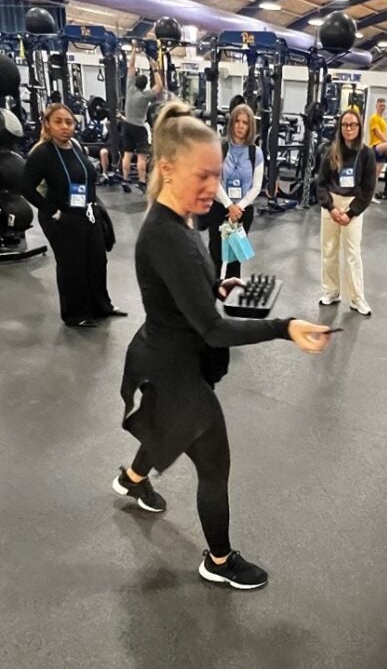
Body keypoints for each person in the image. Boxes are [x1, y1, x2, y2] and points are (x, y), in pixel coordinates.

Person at [112, 101, 331, 590]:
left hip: (165, 353)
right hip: (174, 369)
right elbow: (213, 330)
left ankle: (131, 479)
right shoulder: (166, 234)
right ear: (167, 170)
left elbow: (185, 292)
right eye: (203, 176)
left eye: (216, 175)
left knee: (166, 431)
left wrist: (214, 288)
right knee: (214, 466)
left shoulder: (182, 219)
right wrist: (285, 326)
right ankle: (219, 559)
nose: (213, 187)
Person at [20, 102, 125, 328]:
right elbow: (26, 187)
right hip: (62, 218)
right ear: (47, 125)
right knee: (72, 266)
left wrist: (95, 209)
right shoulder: (42, 154)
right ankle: (76, 314)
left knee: (97, 261)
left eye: (69, 122)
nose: (65, 127)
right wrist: (51, 210)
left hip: (87, 214)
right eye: (58, 122)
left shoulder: (76, 146)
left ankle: (101, 306)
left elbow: (87, 179)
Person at [316, 107, 376, 316]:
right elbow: (321, 183)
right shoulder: (332, 151)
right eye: (345, 125)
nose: (349, 128)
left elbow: (368, 190)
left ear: (359, 127)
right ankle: (331, 292)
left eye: (353, 125)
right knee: (329, 251)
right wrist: (331, 208)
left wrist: (350, 213)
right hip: (332, 203)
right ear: (340, 128)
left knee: (352, 253)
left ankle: (357, 298)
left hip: (353, 205)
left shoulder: (367, 154)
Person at [206, 103, 263, 279]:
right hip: (219, 207)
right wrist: (229, 205)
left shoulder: (256, 153)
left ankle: (232, 297)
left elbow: (256, 186)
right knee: (215, 254)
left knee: (234, 258)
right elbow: (214, 180)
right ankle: (211, 296)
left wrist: (239, 207)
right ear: (231, 124)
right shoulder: (220, 148)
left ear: (250, 126)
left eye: (245, 123)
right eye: (237, 121)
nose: (240, 126)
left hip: (242, 212)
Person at [123, 45, 163, 192]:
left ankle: (125, 180)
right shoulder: (146, 96)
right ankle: (141, 181)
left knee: (127, 154)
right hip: (139, 128)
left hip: (127, 125)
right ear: (145, 85)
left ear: (135, 82)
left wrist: (134, 50)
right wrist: (155, 68)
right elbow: (159, 86)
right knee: (141, 157)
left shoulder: (130, 88)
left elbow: (131, 65)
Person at [368, 97, 387, 190]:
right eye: (380, 105)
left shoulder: (383, 120)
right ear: (376, 106)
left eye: (384, 106)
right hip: (376, 146)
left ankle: (371, 196)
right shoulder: (374, 118)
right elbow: (377, 132)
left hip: (382, 149)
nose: (382, 107)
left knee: (377, 174)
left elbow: (384, 133)